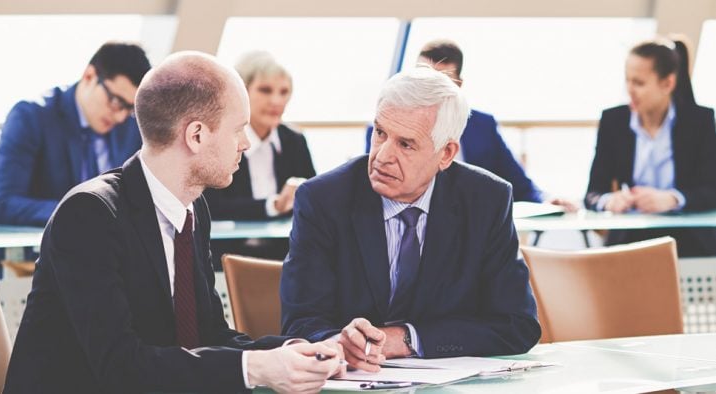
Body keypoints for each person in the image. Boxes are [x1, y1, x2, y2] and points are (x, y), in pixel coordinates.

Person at [4, 51, 344, 393]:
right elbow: (119, 367)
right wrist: (254, 368)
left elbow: (210, 336)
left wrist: (297, 352)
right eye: (238, 129)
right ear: (196, 135)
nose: (244, 143)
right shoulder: (89, 214)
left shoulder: (192, 208)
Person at [281, 66, 540, 370]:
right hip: (353, 378)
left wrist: (407, 339)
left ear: (446, 154)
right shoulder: (323, 199)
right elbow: (300, 322)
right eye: (380, 133)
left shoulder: (486, 200)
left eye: (405, 144)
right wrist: (338, 342)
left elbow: (517, 324)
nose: (382, 156)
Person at [0, 42, 151, 278]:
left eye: (130, 108)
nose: (121, 115)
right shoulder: (31, 117)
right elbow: (3, 204)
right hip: (22, 266)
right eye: (115, 101)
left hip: (97, 265)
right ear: (90, 76)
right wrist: (82, 211)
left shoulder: (130, 128)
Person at [365, 40, 575, 209]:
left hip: (469, 225)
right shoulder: (385, 123)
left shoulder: (483, 126)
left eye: (439, 82)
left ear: (459, 86)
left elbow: (519, 185)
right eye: (423, 79)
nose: (427, 91)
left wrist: (547, 201)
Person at [585, 37, 716, 257]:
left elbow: (712, 190)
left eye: (639, 83)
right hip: (629, 240)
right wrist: (611, 201)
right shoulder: (613, 121)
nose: (630, 90)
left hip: (688, 242)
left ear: (667, 84)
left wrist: (673, 199)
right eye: (627, 80)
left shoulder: (700, 121)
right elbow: (593, 193)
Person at [204, 51, 315, 260]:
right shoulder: (222, 139)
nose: (276, 100)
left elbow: (313, 200)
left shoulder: (294, 140)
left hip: (286, 253)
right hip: (228, 254)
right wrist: (273, 205)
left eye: (284, 92)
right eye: (265, 90)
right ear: (242, 92)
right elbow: (213, 206)